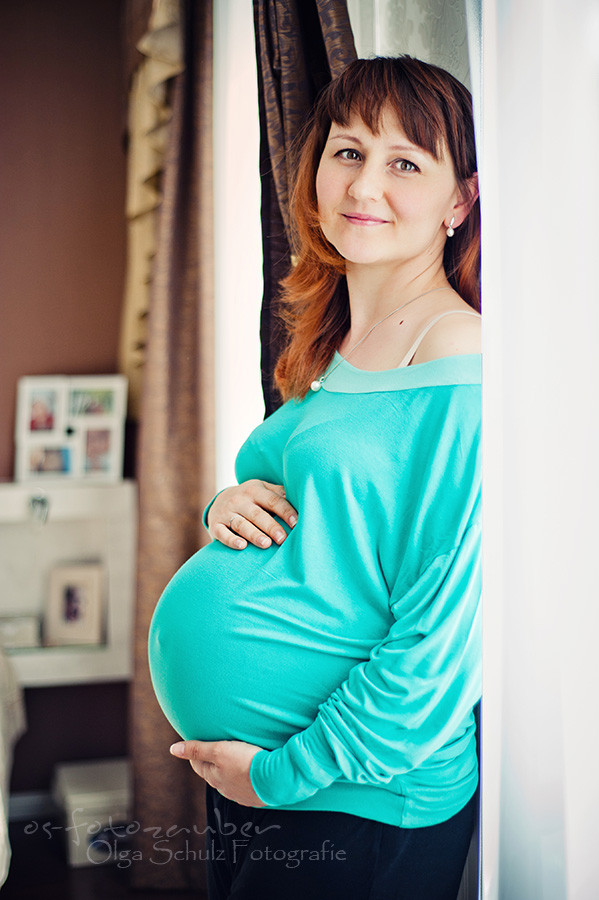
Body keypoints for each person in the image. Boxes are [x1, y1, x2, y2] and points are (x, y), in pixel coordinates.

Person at [149, 55, 481, 900]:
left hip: (353, 801)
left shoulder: (457, 359)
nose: (364, 182)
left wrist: (283, 776)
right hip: (277, 789)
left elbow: (441, 633)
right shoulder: (332, 345)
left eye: (405, 162)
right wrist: (223, 505)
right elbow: (325, 522)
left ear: (458, 201)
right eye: (347, 151)